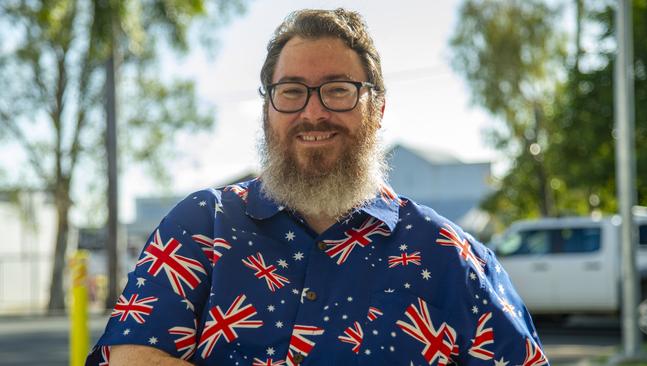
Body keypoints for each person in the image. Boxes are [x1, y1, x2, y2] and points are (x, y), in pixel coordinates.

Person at [87, 8, 548, 366]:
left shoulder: (451, 257)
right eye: (291, 91)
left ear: (378, 108)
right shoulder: (202, 226)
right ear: (267, 110)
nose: (313, 113)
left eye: (338, 89)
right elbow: (132, 353)